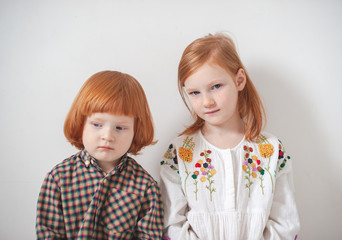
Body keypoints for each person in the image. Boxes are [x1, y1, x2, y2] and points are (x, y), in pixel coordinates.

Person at [160, 33, 300, 240]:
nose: (207, 101)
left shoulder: (270, 149)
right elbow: (172, 223)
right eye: (195, 93)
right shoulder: (181, 152)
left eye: (216, 87)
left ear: (239, 80)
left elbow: (285, 223)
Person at [36, 71, 164, 239]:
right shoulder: (59, 178)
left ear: (135, 131)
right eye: (97, 124)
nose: (108, 136)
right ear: (81, 124)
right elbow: (49, 234)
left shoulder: (146, 187)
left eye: (120, 128)